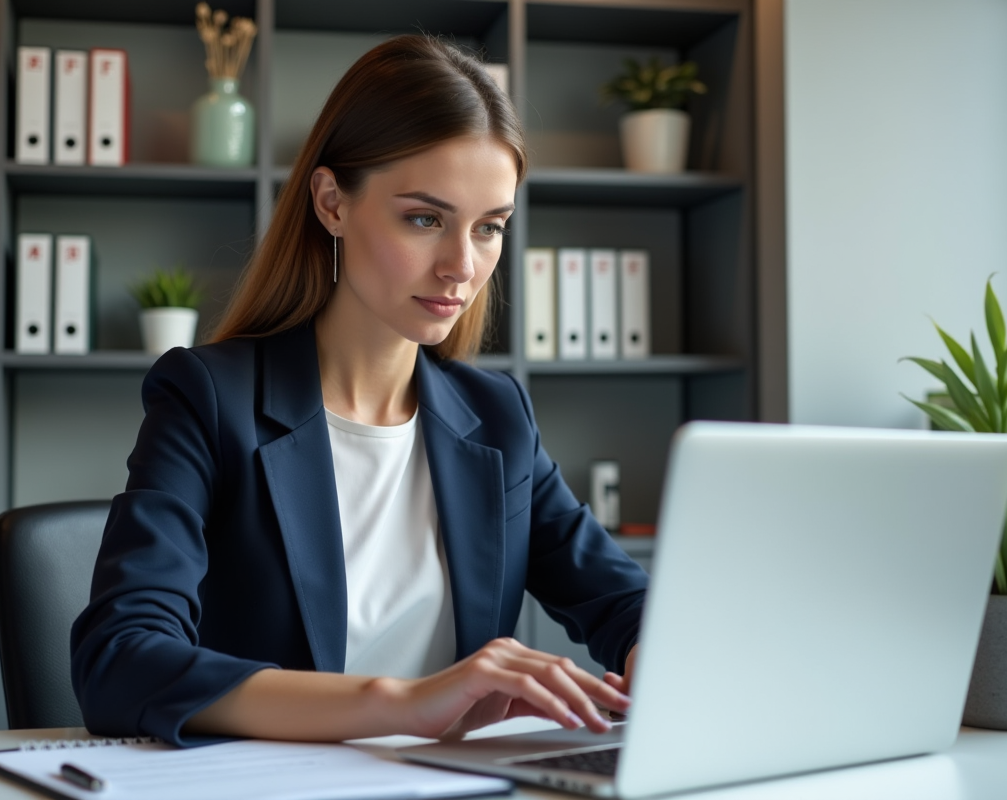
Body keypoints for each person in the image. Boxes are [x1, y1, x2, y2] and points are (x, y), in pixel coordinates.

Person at [70, 35, 648, 747]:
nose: (461, 267)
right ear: (331, 203)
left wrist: (661, 654)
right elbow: (120, 661)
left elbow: (627, 601)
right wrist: (399, 702)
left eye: (490, 228)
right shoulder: (208, 398)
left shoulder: (497, 417)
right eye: (425, 219)